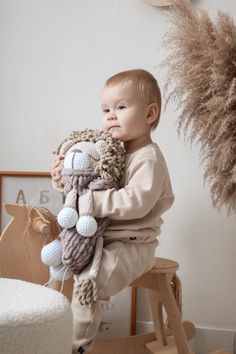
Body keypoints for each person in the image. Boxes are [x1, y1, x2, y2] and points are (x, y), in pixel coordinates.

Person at [52, 69, 174, 354]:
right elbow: (83, 189)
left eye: (120, 107)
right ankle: (52, 332)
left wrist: (92, 204)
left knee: (89, 283)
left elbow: (136, 201)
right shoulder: (110, 152)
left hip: (132, 245)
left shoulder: (149, 158)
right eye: (105, 109)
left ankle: (75, 347)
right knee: (62, 264)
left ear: (150, 113)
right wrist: (61, 176)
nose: (110, 115)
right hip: (99, 237)